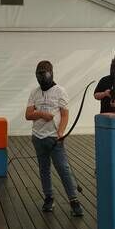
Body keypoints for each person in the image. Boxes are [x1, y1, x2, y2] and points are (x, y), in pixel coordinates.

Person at [25, 60, 83, 217]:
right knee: (44, 169)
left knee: (63, 168)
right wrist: (41, 114)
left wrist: (61, 132)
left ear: (50, 74)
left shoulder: (60, 91)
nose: (41, 78)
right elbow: (28, 115)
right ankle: (49, 198)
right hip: (38, 137)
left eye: (44, 75)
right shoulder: (35, 92)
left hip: (54, 138)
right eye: (39, 75)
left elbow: (64, 115)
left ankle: (74, 200)